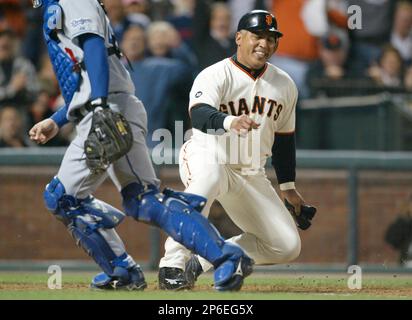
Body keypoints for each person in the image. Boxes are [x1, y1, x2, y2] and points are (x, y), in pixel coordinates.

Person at [28, 0, 253, 292]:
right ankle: (211, 257)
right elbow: (80, 72)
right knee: (141, 200)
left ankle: (214, 257)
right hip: (104, 106)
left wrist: (98, 107)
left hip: (108, 108)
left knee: (63, 198)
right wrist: (58, 120)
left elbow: (94, 46)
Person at [158, 10, 315, 290]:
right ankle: (172, 264)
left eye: (271, 38)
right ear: (239, 38)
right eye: (257, 36)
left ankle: (205, 261)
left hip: (251, 171)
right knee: (206, 182)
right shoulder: (215, 74)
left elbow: (284, 139)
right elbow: (200, 115)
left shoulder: (285, 84)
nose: (264, 44)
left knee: (286, 246)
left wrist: (288, 186)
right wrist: (230, 121)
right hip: (208, 154)